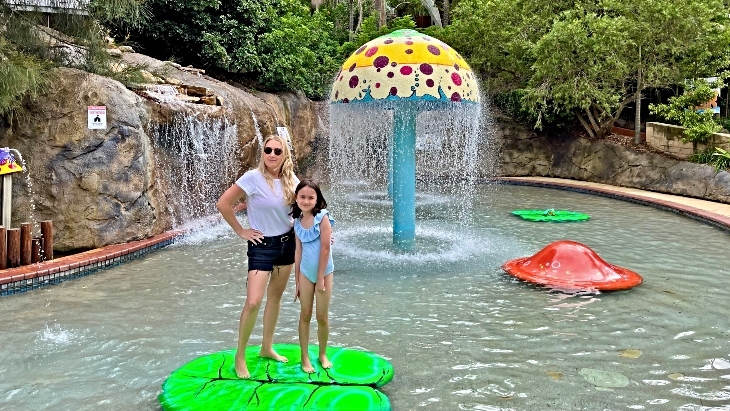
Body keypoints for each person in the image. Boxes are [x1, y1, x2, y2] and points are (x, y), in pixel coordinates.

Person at [216, 134, 299, 379]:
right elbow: (224, 203)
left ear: (285, 156)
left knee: (275, 298)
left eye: (277, 151)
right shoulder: (252, 178)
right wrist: (241, 230)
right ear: (263, 153)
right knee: (253, 301)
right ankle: (240, 356)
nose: (272, 155)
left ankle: (266, 347)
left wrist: (322, 231)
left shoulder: (291, 180)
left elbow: (305, 209)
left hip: (287, 244)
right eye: (268, 150)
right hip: (261, 244)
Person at [291, 179, 335, 373]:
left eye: (311, 197)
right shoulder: (297, 223)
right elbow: (298, 252)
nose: (306, 201)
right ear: (296, 198)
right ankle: (304, 356)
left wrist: (320, 279)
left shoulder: (323, 217)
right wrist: (297, 281)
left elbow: (325, 249)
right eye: (303, 197)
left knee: (322, 316)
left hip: (323, 273)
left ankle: (323, 353)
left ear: (317, 200)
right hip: (305, 273)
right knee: (305, 314)